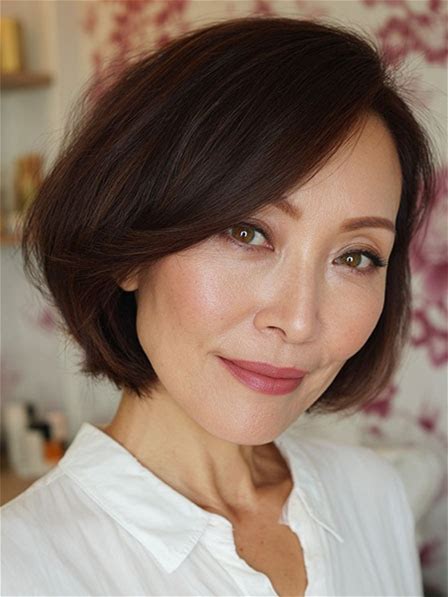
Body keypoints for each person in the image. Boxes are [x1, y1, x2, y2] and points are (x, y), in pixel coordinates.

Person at [1, 15, 436, 597]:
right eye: (246, 232)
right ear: (129, 250)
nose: (298, 320)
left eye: (355, 257)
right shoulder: (20, 568)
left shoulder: (372, 495)